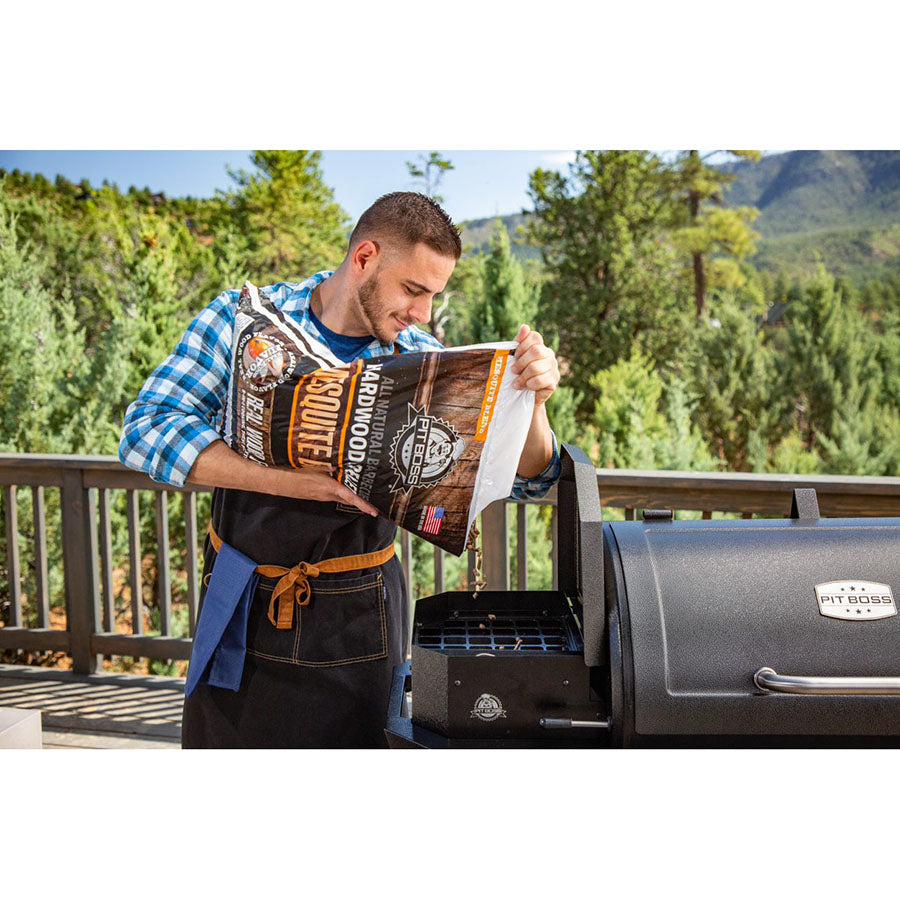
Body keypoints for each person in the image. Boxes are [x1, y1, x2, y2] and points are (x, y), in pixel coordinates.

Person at [118, 191, 562, 748]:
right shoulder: (241, 320)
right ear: (365, 258)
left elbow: (531, 480)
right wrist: (290, 482)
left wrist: (534, 404)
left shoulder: (423, 360)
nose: (423, 313)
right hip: (241, 605)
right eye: (413, 290)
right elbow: (147, 431)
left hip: (359, 622)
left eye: (433, 296)